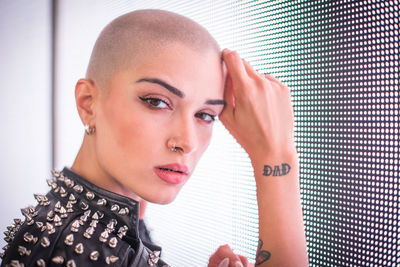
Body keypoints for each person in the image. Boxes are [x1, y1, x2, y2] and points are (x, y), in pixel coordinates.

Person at [0, 9, 308, 267]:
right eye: (156, 102)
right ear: (88, 103)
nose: (186, 141)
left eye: (205, 115)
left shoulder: (81, 221)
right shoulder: (76, 249)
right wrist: (275, 157)